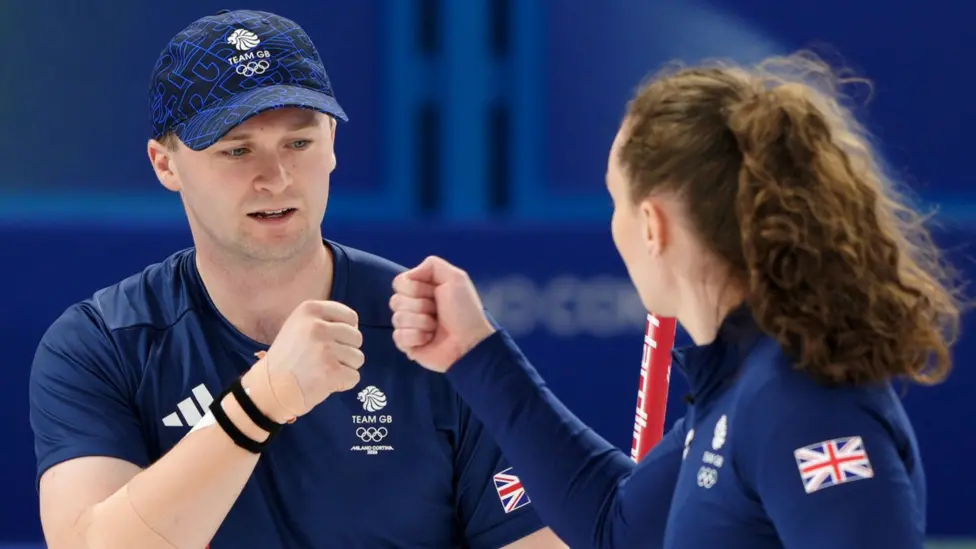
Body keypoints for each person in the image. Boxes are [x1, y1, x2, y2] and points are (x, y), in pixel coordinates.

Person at [28, 9, 565, 549]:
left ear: (331, 141)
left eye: (299, 143)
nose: (276, 178)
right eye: (237, 150)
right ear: (165, 164)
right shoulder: (102, 345)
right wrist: (259, 403)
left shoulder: (432, 331)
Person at [388, 52, 963, 548]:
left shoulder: (801, 402)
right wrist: (474, 351)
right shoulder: (742, 391)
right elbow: (617, 527)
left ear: (651, 224)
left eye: (614, 201)